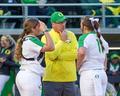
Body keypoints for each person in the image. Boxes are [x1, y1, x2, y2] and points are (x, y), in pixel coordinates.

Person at [14, 18, 54, 96]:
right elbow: (51, 47)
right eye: (39, 26)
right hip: (30, 76)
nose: (40, 28)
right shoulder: (31, 39)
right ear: (33, 28)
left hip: (25, 75)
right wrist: (45, 30)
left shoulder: (27, 39)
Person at [41, 11, 78, 96]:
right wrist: (62, 41)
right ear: (53, 24)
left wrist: (59, 56)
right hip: (52, 79)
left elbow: (76, 54)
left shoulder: (71, 35)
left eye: (64, 22)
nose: (63, 24)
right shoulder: (46, 36)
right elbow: (51, 56)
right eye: (60, 22)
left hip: (70, 79)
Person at [77, 16, 109, 96]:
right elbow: (105, 57)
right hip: (102, 74)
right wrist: (103, 68)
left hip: (89, 73)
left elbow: (81, 53)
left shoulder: (83, 37)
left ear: (84, 26)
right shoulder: (100, 38)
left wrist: (77, 67)